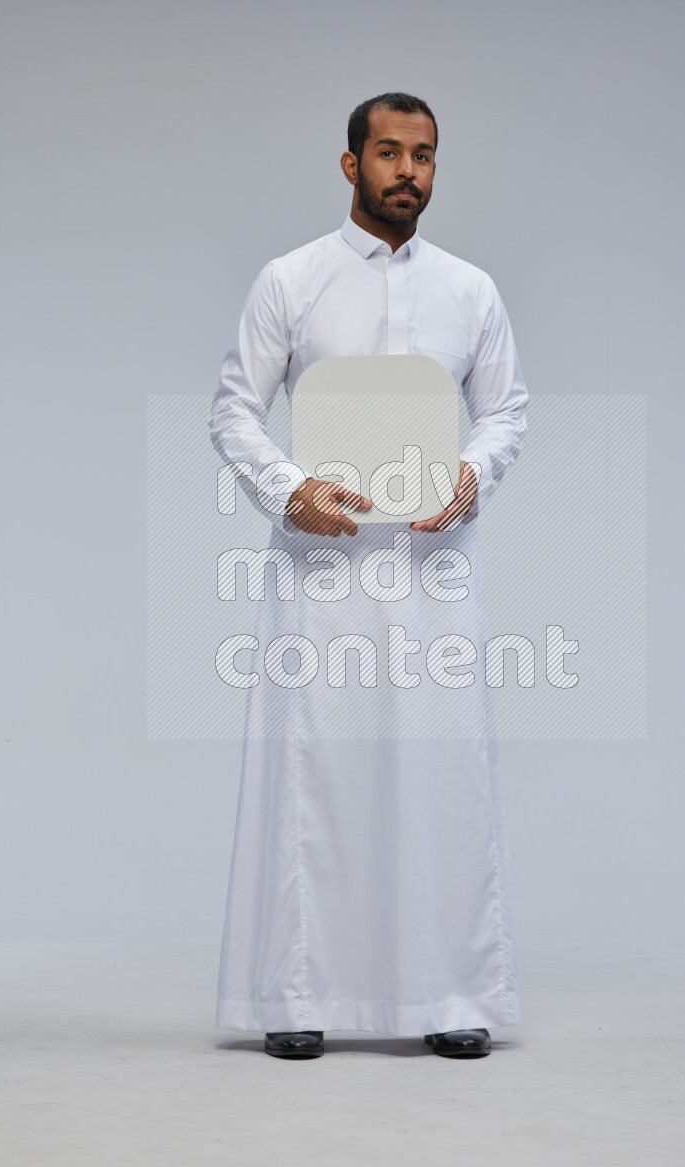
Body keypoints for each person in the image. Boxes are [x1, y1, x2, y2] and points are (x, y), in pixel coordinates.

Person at [209, 92, 529, 1060]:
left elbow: (506, 409)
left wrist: (474, 472)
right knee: (321, 769)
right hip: (325, 568)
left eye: (422, 155)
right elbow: (232, 407)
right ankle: (298, 990)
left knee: (439, 767)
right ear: (349, 165)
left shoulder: (470, 291)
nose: (407, 172)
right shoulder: (292, 280)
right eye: (387, 152)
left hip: (433, 567)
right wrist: (286, 488)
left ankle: (450, 989)